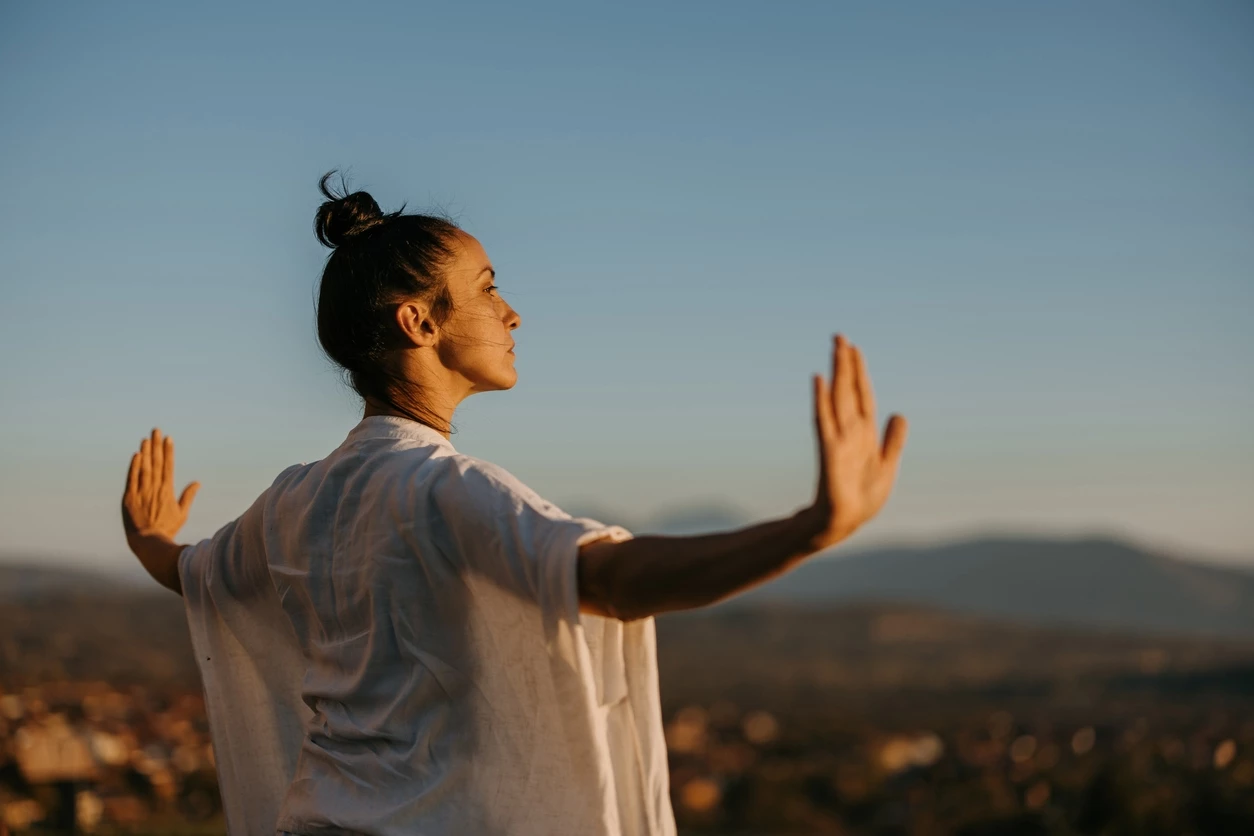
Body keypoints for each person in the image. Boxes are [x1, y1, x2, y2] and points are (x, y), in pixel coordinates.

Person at [120, 172, 908, 836]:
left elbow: (190, 572)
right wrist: (809, 531)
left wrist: (149, 536)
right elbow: (610, 580)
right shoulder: (443, 489)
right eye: (489, 287)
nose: (512, 312)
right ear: (418, 321)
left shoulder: (292, 499)